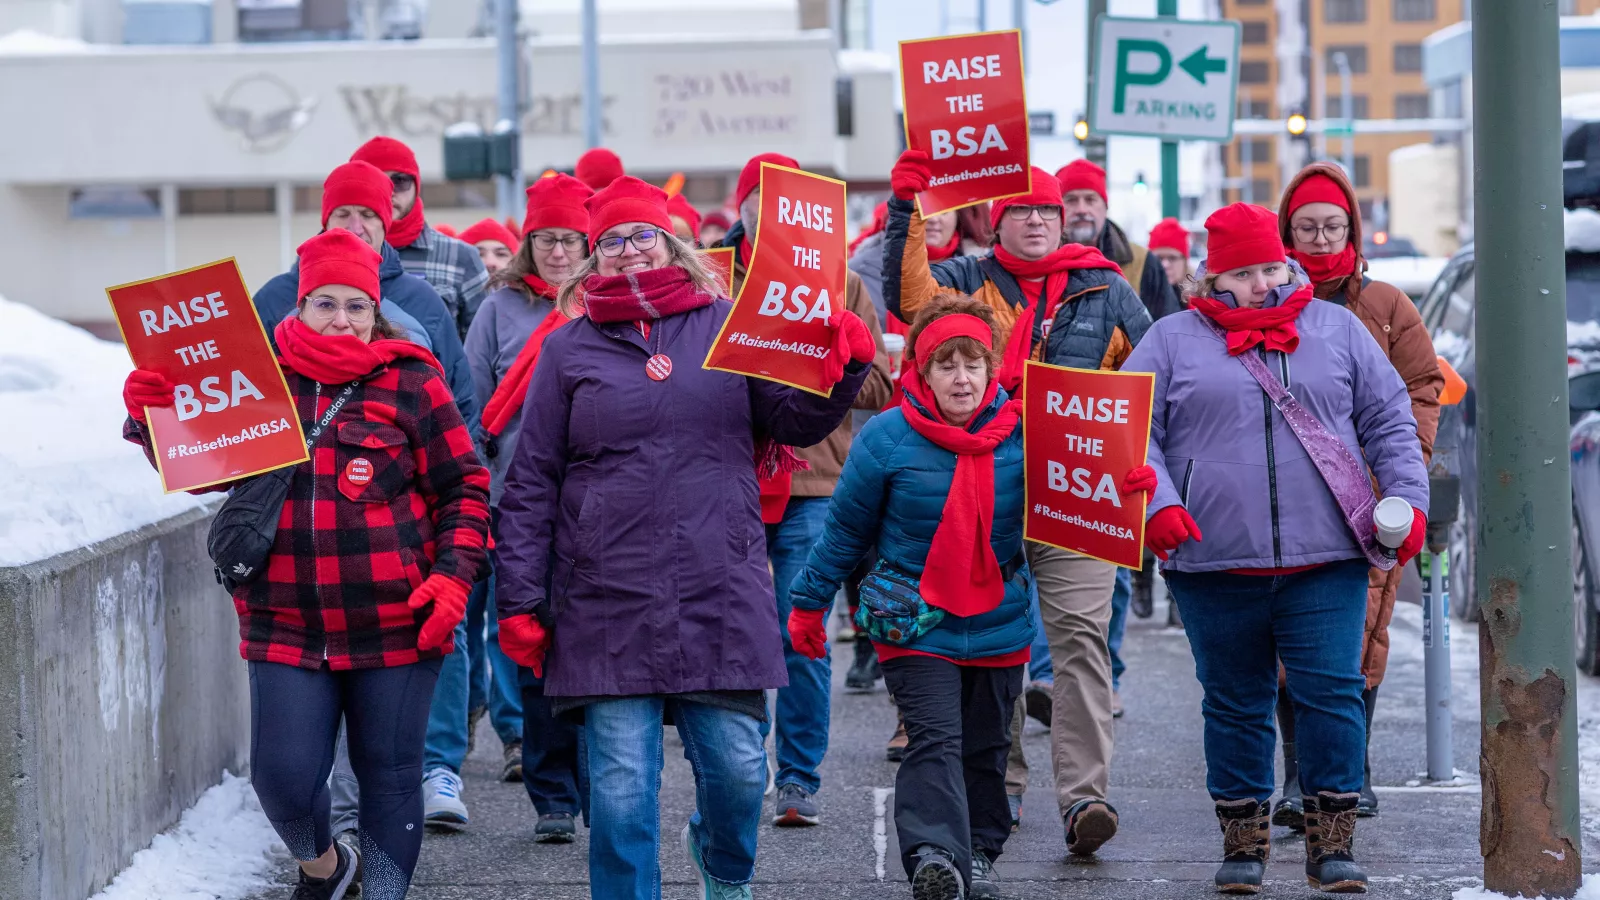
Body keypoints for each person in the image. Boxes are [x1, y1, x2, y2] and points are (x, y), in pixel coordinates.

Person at [492, 176, 876, 900]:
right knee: (621, 790)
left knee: (738, 770)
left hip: (718, 582)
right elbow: (531, 480)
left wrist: (844, 369)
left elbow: (792, 424)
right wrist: (518, 598)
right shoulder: (568, 349)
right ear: (592, 257)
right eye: (612, 240)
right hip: (603, 594)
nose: (630, 250)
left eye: (643, 235)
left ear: (671, 242)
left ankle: (722, 864)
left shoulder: (727, 324)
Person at [121, 229, 491, 900]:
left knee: (389, 773)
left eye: (356, 305)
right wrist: (153, 416)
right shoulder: (258, 375)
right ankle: (326, 868)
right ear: (300, 304)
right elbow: (203, 471)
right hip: (284, 619)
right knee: (283, 779)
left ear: (375, 310)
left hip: (396, 621)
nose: (341, 318)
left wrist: (452, 578)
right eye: (325, 303)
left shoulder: (412, 379)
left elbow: (465, 486)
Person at [1121, 201, 1428, 895]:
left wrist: (1408, 501)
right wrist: (1160, 505)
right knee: (1234, 702)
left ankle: (1333, 841)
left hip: (1327, 559)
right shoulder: (1169, 340)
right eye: (1246, 272)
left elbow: (1389, 422)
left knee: (1332, 695)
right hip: (1212, 559)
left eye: (1272, 268)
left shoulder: (1337, 330)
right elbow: (1131, 432)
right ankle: (1243, 841)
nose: (1264, 283)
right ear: (1212, 277)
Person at [884, 150, 1149, 856]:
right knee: (992, 646)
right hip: (983, 487)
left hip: (1080, 488)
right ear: (996, 220)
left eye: (1048, 211)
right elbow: (909, 300)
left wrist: (1144, 463)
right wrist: (906, 209)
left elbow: (1156, 381)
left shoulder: (1107, 288)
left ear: (1066, 220)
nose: (1036, 221)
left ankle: (1085, 797)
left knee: (1081, 641)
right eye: (1021, 210)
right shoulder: (965, 279)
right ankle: (1000, 782)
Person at [789, 295, 1033, 900]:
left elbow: (1078, 501)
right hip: (915, 619)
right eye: (946, 364)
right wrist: (808, 603)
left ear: (991, 368)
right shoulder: (886, 437)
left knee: (986, 743)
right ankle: (933, 854)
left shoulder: (1028, 431)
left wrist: (1125, 490)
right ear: (921, 372)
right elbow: (844, 529)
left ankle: (977, 850)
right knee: (934, 739)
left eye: (973, 363)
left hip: (1000, 617)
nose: (962, 377)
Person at [718, 151, 894, 828]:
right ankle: (742, 766)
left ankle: (798, 778)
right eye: (759, 197)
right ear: (743, 210)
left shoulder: (843, 283)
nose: (772, 209)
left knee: (803, 632)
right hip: (728, 480)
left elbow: (878, 387)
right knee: (733, 634)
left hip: (813, 483)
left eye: (785, 197)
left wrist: (834, 361)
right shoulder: (711, 280)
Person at [1271, 163, 1444, 828]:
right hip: (1285, 499)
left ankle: (1354, 771)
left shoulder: (1387, 306)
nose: (1318, 239)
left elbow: (1421, 385)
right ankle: (1296, 778)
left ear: (1352, 228)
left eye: (1330, 226)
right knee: (1290, 640)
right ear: (1288, 228)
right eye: (1306, 227)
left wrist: (1407, 468)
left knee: (1362, 633)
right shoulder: (1262, 300)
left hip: (1368, 502)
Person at [464, 172, 594, 842]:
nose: (559, 252)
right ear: (529, 243)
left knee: (598, 650)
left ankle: (599, 786)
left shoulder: (603, 301)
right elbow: (475, 404)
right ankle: (553, 798)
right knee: (533, 643)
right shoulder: (499, 308)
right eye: (546, 239)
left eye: (570, 239)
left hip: (599, 505)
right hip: (521, 501)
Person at [351, 136, 490, 339]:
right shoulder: (323, 257)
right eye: (374, 181)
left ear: (416, 185)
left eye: (400, 181)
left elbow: (482, 352)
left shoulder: (460, 258)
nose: (388, 192)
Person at [1056, 160, 1182, 322]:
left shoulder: (1142, 262)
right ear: (1058, 207)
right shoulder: (1040, 261)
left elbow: (1168, 331)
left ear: (1105, 207)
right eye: (1071, 200)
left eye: (1090, 199)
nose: (1081, 209)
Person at [1148, 217, 1192, 297]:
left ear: (1185, 262)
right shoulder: (1137, 301)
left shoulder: (1200, 302)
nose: (1165, 265)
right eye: (1159, 258)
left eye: (1172, 258)